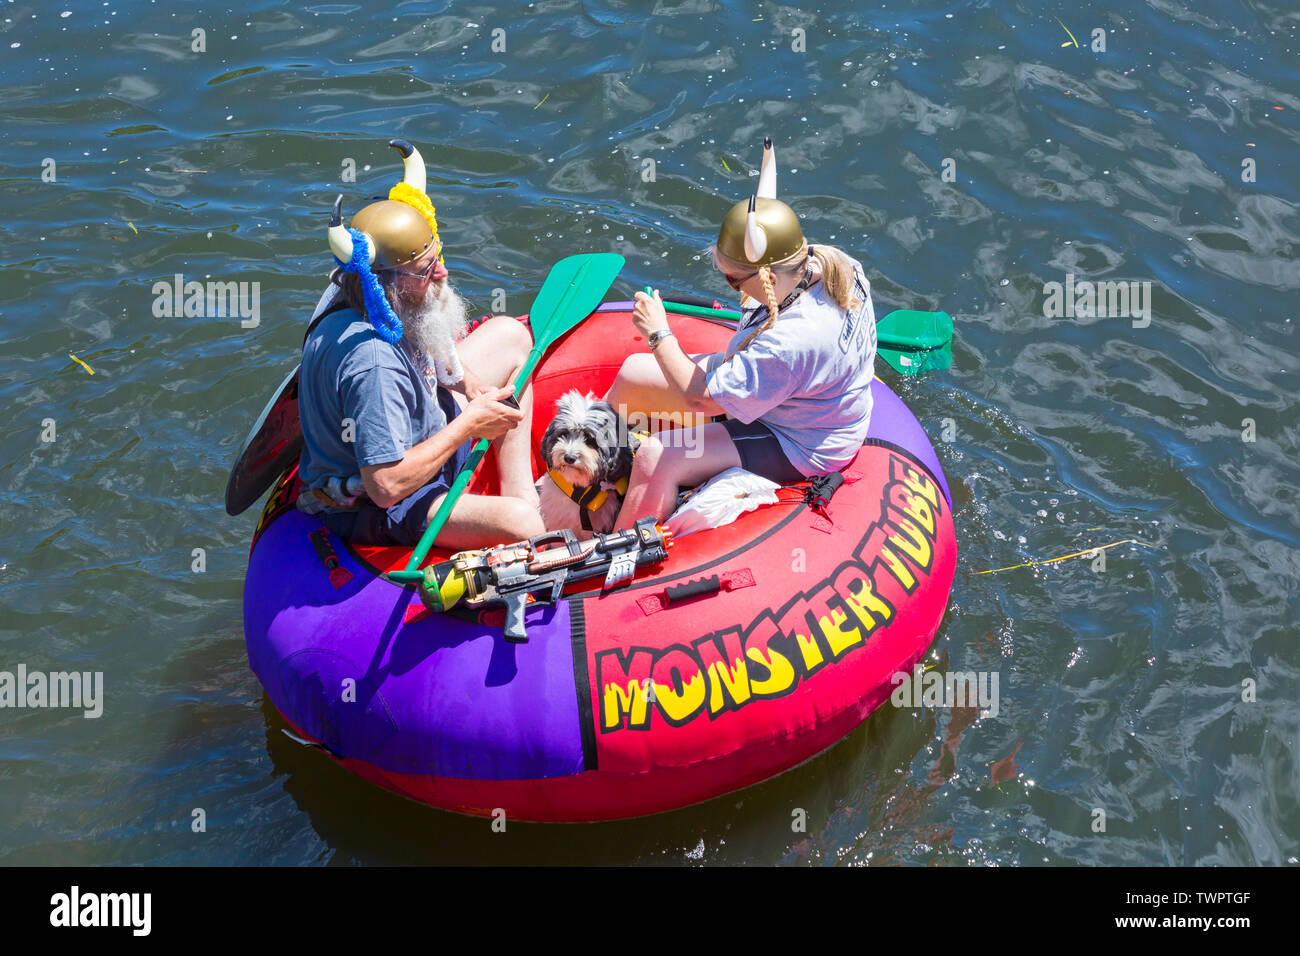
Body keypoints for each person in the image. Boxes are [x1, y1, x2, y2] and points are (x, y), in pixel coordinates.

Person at [605, 137, 878, 528]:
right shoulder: (835, 264)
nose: (732, 287)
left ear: (768, 276)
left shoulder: (790, 344)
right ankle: (596, 470)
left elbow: (701, 400)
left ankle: (619, 550)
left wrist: (658, 333)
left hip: (799, 438)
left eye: (734, 280)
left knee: (657, 455)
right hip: (793, 391)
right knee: (634, 372)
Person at [297, 139, 543, 550]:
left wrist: (470, 388)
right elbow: (385, 486)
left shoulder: (360, 288)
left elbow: (425, 346)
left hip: (414, 422)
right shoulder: (372, 363)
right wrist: (469, 423)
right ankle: (521, 512)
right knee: (523, 525)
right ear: (387, 283)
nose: (443, 272)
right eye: (426, 269)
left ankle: (522, 493)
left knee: (512, 337)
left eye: (437, 255)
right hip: (381, 503)